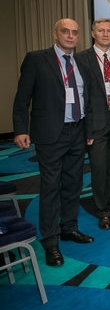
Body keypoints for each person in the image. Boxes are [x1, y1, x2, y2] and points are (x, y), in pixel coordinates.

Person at [13, 18, 94, 267]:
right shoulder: (37, 59)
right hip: (50, 135)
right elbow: (22, 99)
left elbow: (88, 99)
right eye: (65, 31)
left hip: (77, 131)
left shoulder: (81, 63)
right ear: (55, 34)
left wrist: (89, 129)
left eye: (74, 32)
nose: (70, 36)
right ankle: (50, 241)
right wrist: (20, 129)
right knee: (50, 187)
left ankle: (69, 227)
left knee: (73, 184)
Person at [75, 18, 110, 230]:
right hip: (95, 123)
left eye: (109, 31)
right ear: (92, 33)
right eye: (101, 30)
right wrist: (86, 128)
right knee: (99, 168)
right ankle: (103, 210)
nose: (105, 34)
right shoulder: (81, 59)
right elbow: (81, 95)